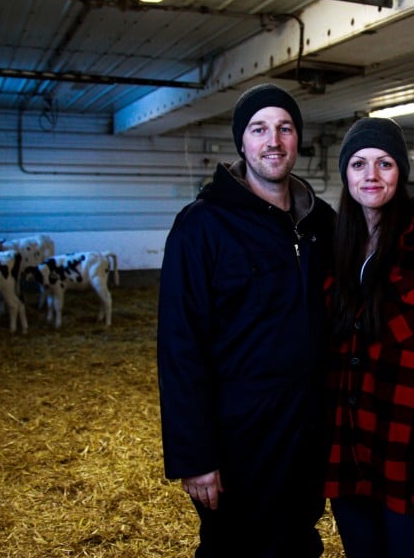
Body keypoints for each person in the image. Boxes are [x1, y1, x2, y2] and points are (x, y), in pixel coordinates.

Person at [157, 83, 335, 557]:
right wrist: (194, 456)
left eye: (284, 128)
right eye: (259, 129)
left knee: (300, 543)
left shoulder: (323, 225)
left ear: (298, 140)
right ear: (242, 142)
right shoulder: (203, 225)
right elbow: (180, 346)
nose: (272, 140)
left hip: (305, 435)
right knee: (233, 548)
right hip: (238, 441)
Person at [324, 117, 414, 558]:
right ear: (345, 174)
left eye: (384, 163)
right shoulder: (339, 241)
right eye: (358, 164)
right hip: (348, 453)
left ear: (401, 173)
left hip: (406, 457)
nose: (371, 176)